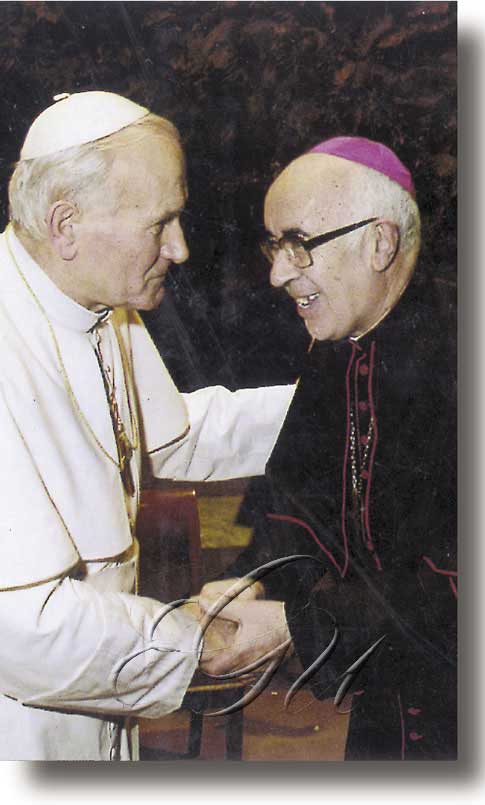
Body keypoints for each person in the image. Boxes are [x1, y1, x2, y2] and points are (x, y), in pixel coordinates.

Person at [0, 91, 295, 761]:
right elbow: (20, 627)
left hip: (101, 694)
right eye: (160, 223)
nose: (179, 248)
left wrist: (330, 407)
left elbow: (168, 436)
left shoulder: (95, 301)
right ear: (65, 225)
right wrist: (197, 640)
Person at [200, 136, 457, 760]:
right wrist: (251, 586)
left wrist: (301, 626)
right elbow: (301, 517)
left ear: (380, 243)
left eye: (298, 244)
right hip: (388, 708)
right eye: (273, 246)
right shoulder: (335, 353)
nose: (277, 274)